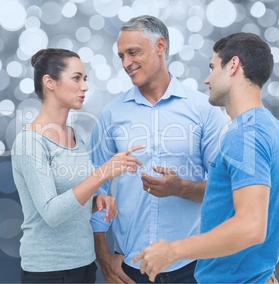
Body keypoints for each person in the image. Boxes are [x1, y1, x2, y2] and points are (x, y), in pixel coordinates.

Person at [133, 32, 279, 283]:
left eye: (212, 67)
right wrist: (181, 188)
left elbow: (251, 226)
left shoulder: (245, 135)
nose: (207, 79)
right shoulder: (269, 128)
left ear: (233, 65)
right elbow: (237, 196)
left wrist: (172, 251)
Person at [89, 16, 226, 283]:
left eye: (133, 52)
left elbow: (224, 188)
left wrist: (181, 188)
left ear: (160, 45)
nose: (126, 63)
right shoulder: (110, 115)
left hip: (192, 269)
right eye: (121, 56)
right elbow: (96, 188)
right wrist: (103, 256)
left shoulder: (203, 110)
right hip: (129, 269)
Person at [11, 48, 144, 283]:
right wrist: (102, 174)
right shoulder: (30, 142)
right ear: (49, 82)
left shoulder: (74, 135)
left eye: (85, 79)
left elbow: (71, 197)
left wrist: (95, 202)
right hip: (48, 273)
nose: (85, 87)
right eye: (76, 78)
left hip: (84, 267)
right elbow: (51, 213)